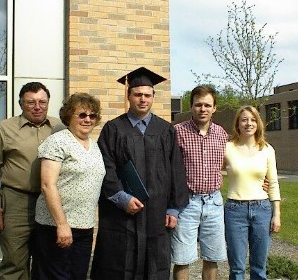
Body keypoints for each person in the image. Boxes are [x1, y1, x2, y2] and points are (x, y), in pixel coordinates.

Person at [90, 67, 189, 280]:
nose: (142, 99)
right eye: (137, 95)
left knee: (154, 266)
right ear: (129, 96)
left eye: (147, 95)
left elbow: (176, 169)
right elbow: (105, 167)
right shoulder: (113, 129)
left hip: (156, 213)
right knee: (119, 264)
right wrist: (121, 197)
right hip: (122, 214)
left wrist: (173, 208)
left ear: (153, 97)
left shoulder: (166, 130)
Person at [0, 82, 61, 279]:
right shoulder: (3, 129)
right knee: (15, 263)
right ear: (21, 104)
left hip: (50, 202)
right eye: (31, 102)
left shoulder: (59, 128)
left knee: (49, 261)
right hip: (16, 203)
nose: (37, 106)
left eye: (42, 102)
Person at [32, 93, 105, 279]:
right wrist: (62, 225)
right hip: (56, 226)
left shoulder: (93, 145)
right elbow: (48, 185)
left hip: (84, 226)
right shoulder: (57, 141)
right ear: (68, 116)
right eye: (81, 115)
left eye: (92, 115)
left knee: (77, 275)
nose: (87, 119)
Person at [171, 85, 228, 280]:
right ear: (191, 107)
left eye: (207, 105)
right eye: (198, 105)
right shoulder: (177, 132)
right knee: (182, 258)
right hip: (187, 203)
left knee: (212, 257)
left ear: (214, 108)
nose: (202, 109)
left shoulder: (222, 134)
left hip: (214, 202)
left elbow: (234, 164)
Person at [223, 105, 281, 280]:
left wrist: (276, 213)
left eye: (253, 119)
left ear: (258, 123)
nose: (249, 123)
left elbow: (273, 183)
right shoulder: (227, 148)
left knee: (259, 266)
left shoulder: (267, 150)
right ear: (238, 124)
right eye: (244, 119)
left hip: (262, 210)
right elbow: (211, 170)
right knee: (237, 267)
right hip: (235, 210)